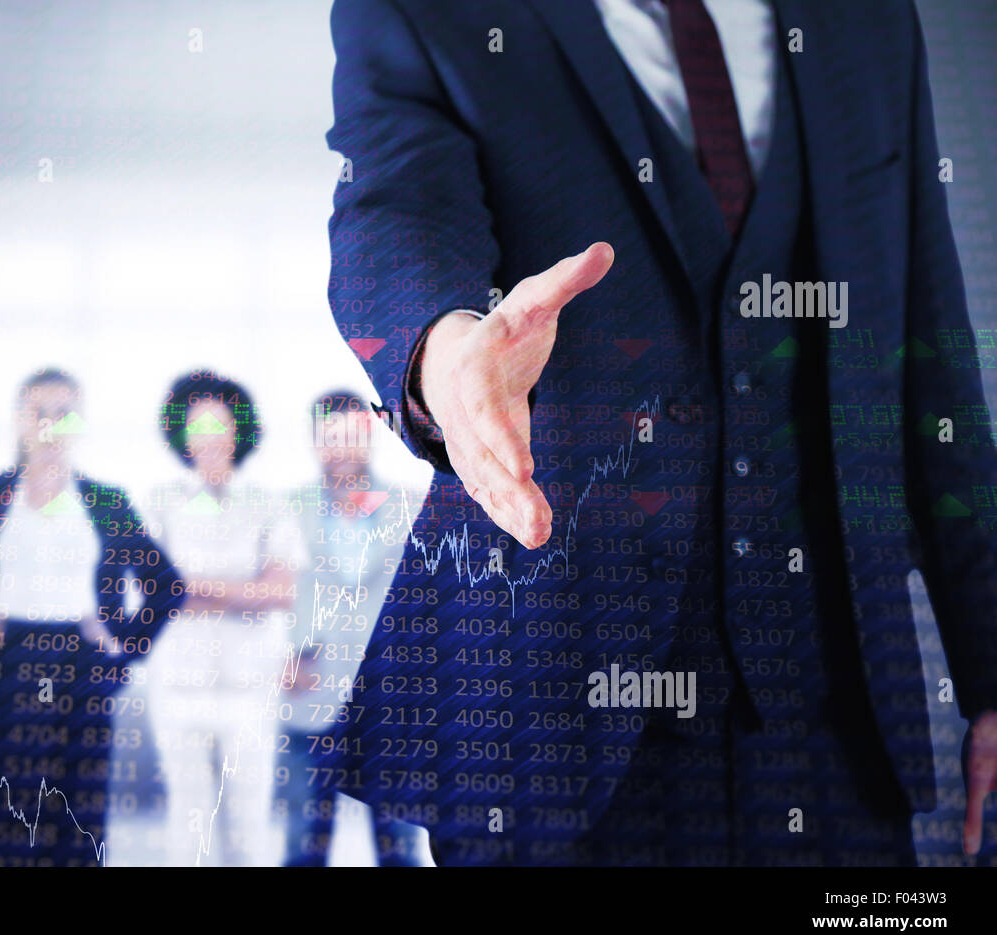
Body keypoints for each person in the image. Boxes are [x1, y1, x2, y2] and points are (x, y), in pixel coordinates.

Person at [323, 0, 997, 865]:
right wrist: (442, 350)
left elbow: (931, 340)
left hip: (835, 718)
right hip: (549, 708)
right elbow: (391, 211)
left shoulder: (866, 19)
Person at [0, 368, 182, 866]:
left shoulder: (107, 502)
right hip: (5, 666)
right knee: (4, 819)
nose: (52, 427)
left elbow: (166, 586)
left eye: (64, 415)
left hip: (82, 666)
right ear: (19, 421)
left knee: (78, 824)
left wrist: (122, 646)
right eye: (40, 414)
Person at [142, 369, 302, 866]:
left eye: (221, 424)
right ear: (182, 434)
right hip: (179, 686)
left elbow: (280, 592)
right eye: (198, 426)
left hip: (249, 687)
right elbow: (156, 594)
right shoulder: (160, 503)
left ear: (240, 430)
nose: (210, 437)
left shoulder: (268, 504)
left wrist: (195, 587)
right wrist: (239, 591)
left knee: (248, 827)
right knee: (189, 825)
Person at [277, 390, 427, 866]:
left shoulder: (410, 507)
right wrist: (280, 659)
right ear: (315, 442)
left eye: (352, 435)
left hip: (390, 706)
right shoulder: (287, 509)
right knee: (304, 845)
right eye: (331, 437)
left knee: (399, 850)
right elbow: (263, 598)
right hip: (309, 698)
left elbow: (428, 603)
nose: (342, 448)